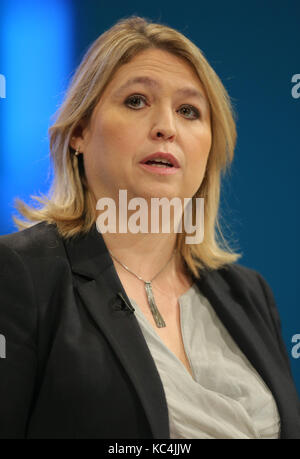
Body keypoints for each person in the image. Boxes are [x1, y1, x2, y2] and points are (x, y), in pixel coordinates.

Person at [0, 15, 299, 440]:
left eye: (189, 111)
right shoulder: (20, 274)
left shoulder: (249, 294)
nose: (166, 127)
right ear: (81, 130)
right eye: (137, 101)